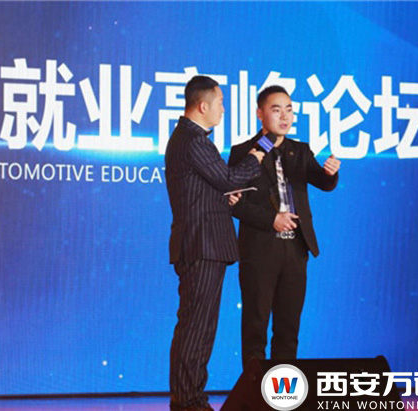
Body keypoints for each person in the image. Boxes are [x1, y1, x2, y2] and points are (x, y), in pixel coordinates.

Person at [165, 75, 265, 411]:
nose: (223, 109)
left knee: (200, 326)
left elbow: (209, 188)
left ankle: (189, 398)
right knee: (196, 327)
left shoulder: (190, 139)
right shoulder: (193, 140)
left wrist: (223, 197)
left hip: (204, 244)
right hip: (201, 245)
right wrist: (255, 157)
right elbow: (227, 178)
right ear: (202, 105)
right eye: (220, 102)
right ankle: (188, 401)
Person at [228, 85, 341, 367]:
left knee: (288, 328)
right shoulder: (243, 152)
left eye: (289, 110)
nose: (284, 116)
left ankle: (283, 390)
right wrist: (272, 220)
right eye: (276, 110)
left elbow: (322, 182)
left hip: (295, 249)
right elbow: (235, 204)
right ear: (260, 114)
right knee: (255, 326)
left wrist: (330, 173)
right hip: (260, 250)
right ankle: (255, 390)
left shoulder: (299, 151)